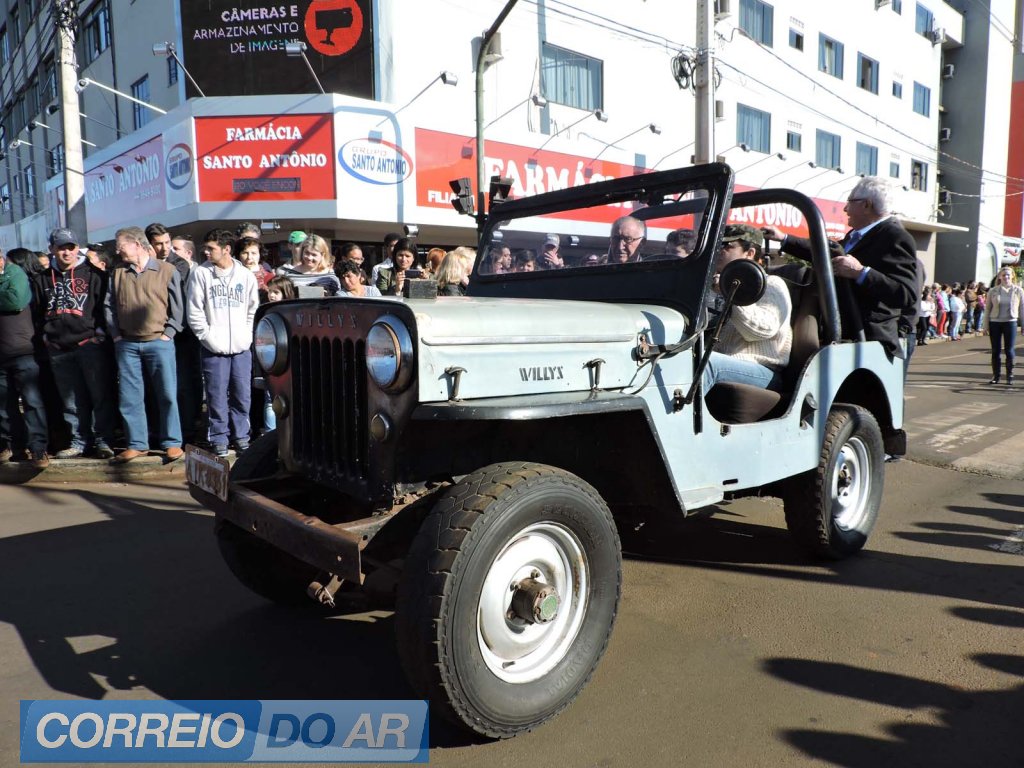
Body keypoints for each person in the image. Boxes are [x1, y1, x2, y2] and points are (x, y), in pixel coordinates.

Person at [765, 176, 917, 359]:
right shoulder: (856, 235)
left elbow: (906, 295)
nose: (845, 209)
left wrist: (861, 273)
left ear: (866, 205)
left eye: (850, 202)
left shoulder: (895, 236)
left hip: (869, 341)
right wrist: (784, 238)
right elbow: (826, 254)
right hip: (841, 336)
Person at [32, 227, 118, 460]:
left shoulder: (93, 274)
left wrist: (100, 333)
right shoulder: (41, 279)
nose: (67, 252)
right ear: (52, 249)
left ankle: (103, 440)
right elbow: (37, 312)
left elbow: (104, 307)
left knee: (99, 396)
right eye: (61, 248)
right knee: (70, 401)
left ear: (77, 248)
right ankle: (79, 442)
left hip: (89, 344)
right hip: (58, 349)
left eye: (71, 247)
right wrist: (45, 337)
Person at [105, 226, 185, 464]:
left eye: (121, 246)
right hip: (127, 344)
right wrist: (116, 335)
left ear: (137, 245)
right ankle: (137, 444)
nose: (118, 251)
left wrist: (169, 333)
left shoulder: (167, 270)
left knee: (167, 394)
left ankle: (172, 442)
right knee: (129, 397)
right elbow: (109, 306)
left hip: (159, 342)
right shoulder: (118, 273)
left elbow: (178, 307)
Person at [188, 229, 260, 456]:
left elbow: (253, 309)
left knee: (242, 395)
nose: (206, 252)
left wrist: (246, 336)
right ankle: (219, 437)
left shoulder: (245, 275)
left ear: (226, 249)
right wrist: (207, 337)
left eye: (211, 248)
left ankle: (241, 437)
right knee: (216, 395)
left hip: (241, 347)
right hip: (213, 348)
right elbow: (195, 311)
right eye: (206, 248)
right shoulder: (201, 273)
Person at [702, 225, 792, 392]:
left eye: (727, 246)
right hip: (724, 361)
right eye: (718, 245)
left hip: (762, 369)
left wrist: (730, 293)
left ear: (749, 253)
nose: (718, 250)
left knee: (705, 363)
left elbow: (761, 330)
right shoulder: (715, 285)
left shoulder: (772, 284)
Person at [0, 247, 49, 468]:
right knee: (4, 406)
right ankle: (13, 446)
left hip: (23, 351)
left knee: (32, 402)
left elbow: (15, 301)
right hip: (2, 355)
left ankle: (38, 448)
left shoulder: (16, 274)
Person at [982, 267, 1023, 384]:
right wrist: (985, 326)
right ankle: (996, 376)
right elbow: (987, 309)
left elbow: (1022, 309)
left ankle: (1009, 376)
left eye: (1008, 275)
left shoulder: (1018, 290)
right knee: (995, 350)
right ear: (1000, 277)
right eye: (1004, 275)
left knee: (1009, 350)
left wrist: (1023, 325)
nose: (1006, 277)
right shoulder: (993, 291)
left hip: (1010, 322)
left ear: (1012, 276)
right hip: (995, 322)